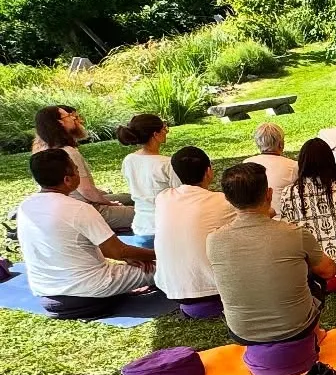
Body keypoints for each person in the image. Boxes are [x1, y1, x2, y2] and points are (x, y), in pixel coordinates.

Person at [16, 148, 155, 319]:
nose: (78, 173)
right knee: (165, 268)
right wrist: (160, 256)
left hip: (46, 292)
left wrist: (127, 257)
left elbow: (111, 251)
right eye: (76, 170)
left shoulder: (25, 206)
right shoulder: (79, 209)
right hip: (89, 287)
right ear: (67, 180)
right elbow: (118, 251)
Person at [207, 162, 336, 345]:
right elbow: (329, 271)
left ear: (228, 200)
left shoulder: (213, 240)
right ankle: (317, 333)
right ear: (269, 194)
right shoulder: (294, 234)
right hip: (298, 328)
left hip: (241, 333)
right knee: (311, 271)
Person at [277, 139, 336, 290]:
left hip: (311, 273)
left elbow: (287, 239)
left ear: (302, 162)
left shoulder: (288, 194)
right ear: (330, 160)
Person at [152, 146, 235, 311]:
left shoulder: (163, 198)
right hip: (214, 289)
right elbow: (258, 217)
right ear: (208, 172)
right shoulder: (222, 201)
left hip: (171, 288)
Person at [32, 105, 133, 230]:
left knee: (129, 198)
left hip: (64, 208)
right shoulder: (67, 152)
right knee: (145, 214)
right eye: (68, 116)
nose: (73, 118)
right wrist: (110, 203)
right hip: (85, 208)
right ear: (60, 123)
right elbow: (86, 190)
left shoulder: (40, 151)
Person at [117, 114, 179, 246]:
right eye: (164, 128)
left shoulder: (129, 160)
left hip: (140, 226)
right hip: (165, 227)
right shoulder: (166, 164)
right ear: (156, 134)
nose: (166, 132)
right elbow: (180, 193)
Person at [246, 122, 299, 195]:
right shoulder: (293, 166)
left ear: (258, 144)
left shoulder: (246, 164)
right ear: (281, 144)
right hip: (281, 203)